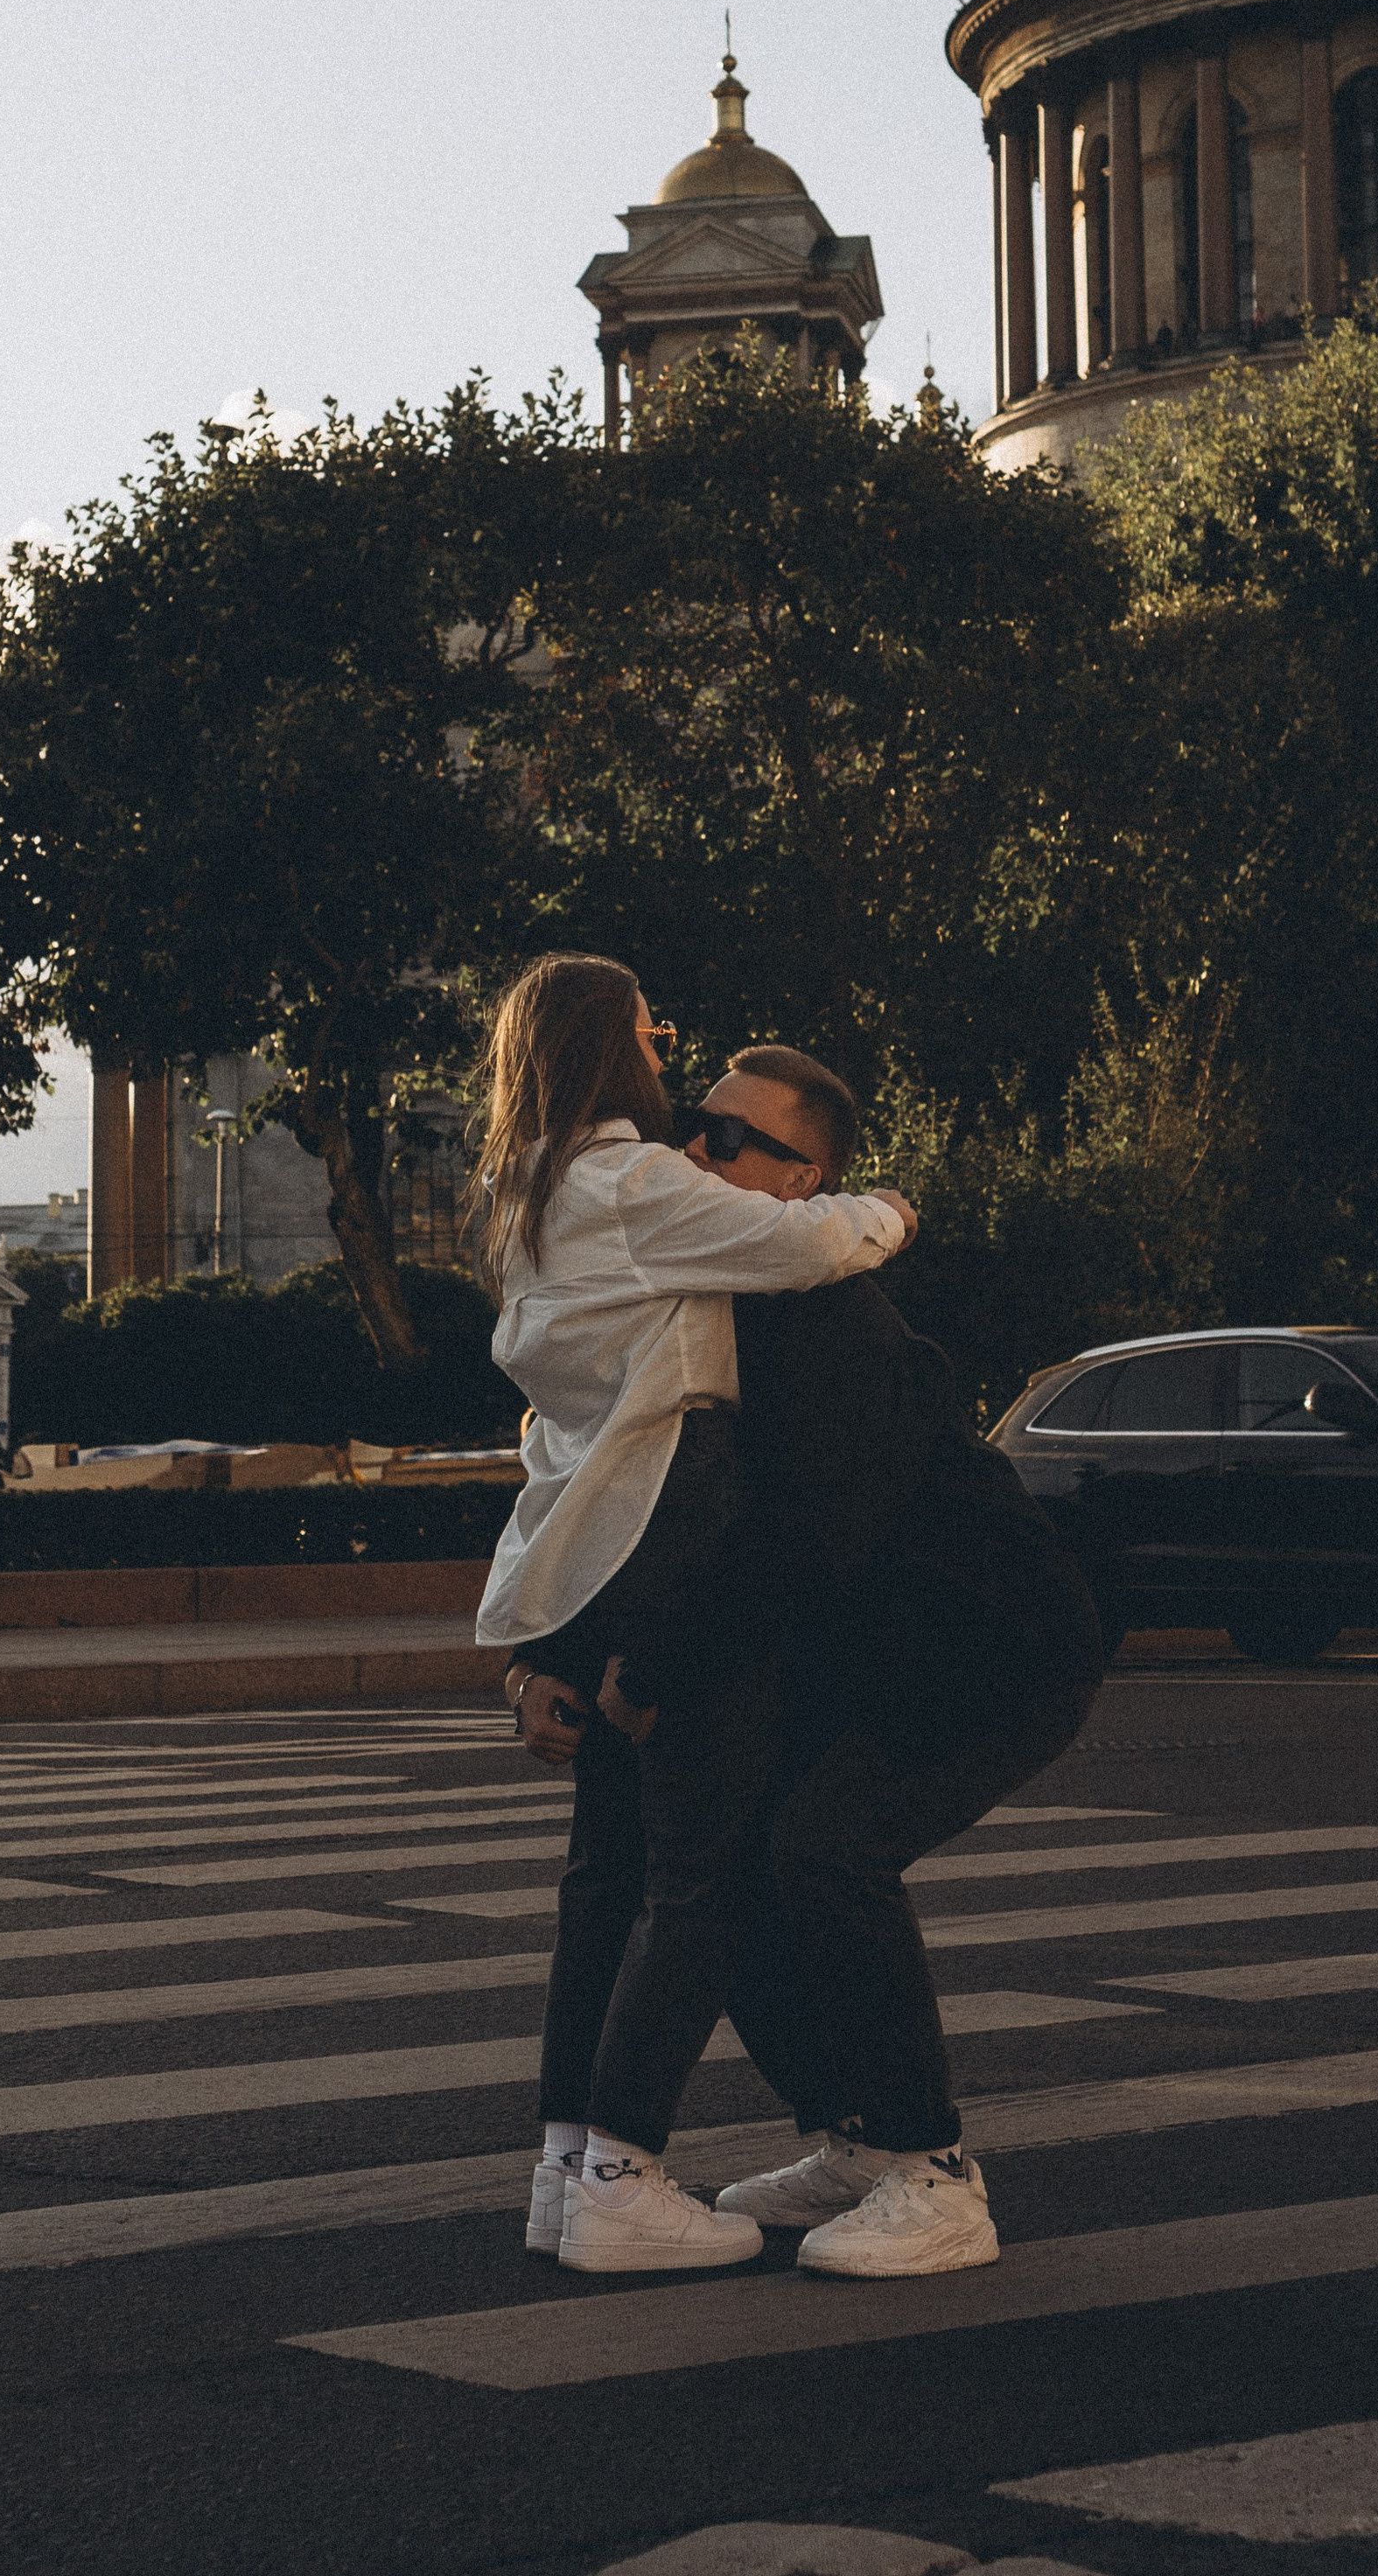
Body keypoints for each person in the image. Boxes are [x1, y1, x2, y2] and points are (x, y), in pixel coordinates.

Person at [475, 953, 914, 2276]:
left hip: (597, 1549)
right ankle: (623, 2174)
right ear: (617, 1044)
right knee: (696, 1876)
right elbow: (802, 1239)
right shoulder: (634, 1184)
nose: (675, 1073)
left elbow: (559, 1443)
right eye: (658, 1041)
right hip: (682, 1530)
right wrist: (889, 1208)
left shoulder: (524, 1203)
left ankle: (568, 2165)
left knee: (608, 1879)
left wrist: (545, 1640)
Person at [685, 1044, 1106, 2279]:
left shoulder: (827, 1317)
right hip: (877, 1645)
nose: (691, 1153)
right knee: (733, 1861)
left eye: (725, 1140)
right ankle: (856, 2137)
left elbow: (808, 1536)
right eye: (690, 1128)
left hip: (988, 1644)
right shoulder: (735, 1287)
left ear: (804, 1177)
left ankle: (934, 2171)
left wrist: (658, 1673)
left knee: (827, 1847)